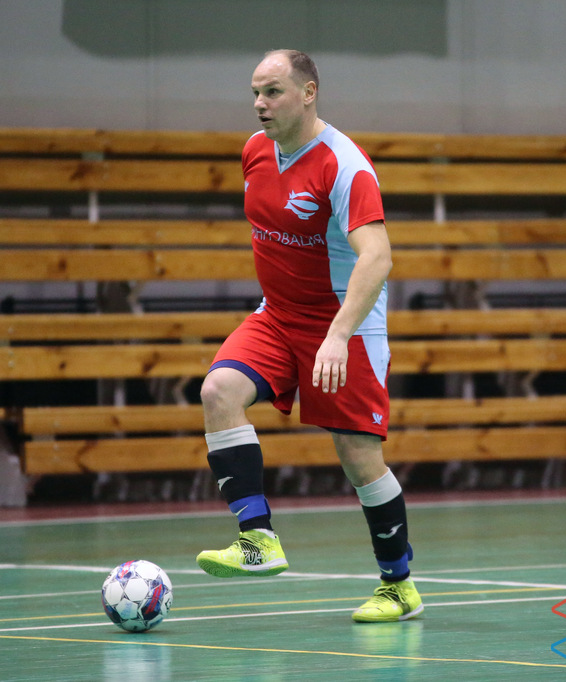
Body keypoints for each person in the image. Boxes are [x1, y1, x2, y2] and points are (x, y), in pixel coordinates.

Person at [194, 49, 422, 623]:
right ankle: (257, 540)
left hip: (344, 322)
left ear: (309, 92)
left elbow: (378, 257)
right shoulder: (254, 151)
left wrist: (338, 336)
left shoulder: (345, 166)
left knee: (358, 456)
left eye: (272, 91)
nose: (259, 103)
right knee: (218, 391)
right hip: (277, 315)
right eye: (255, 92)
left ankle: (398, 585)